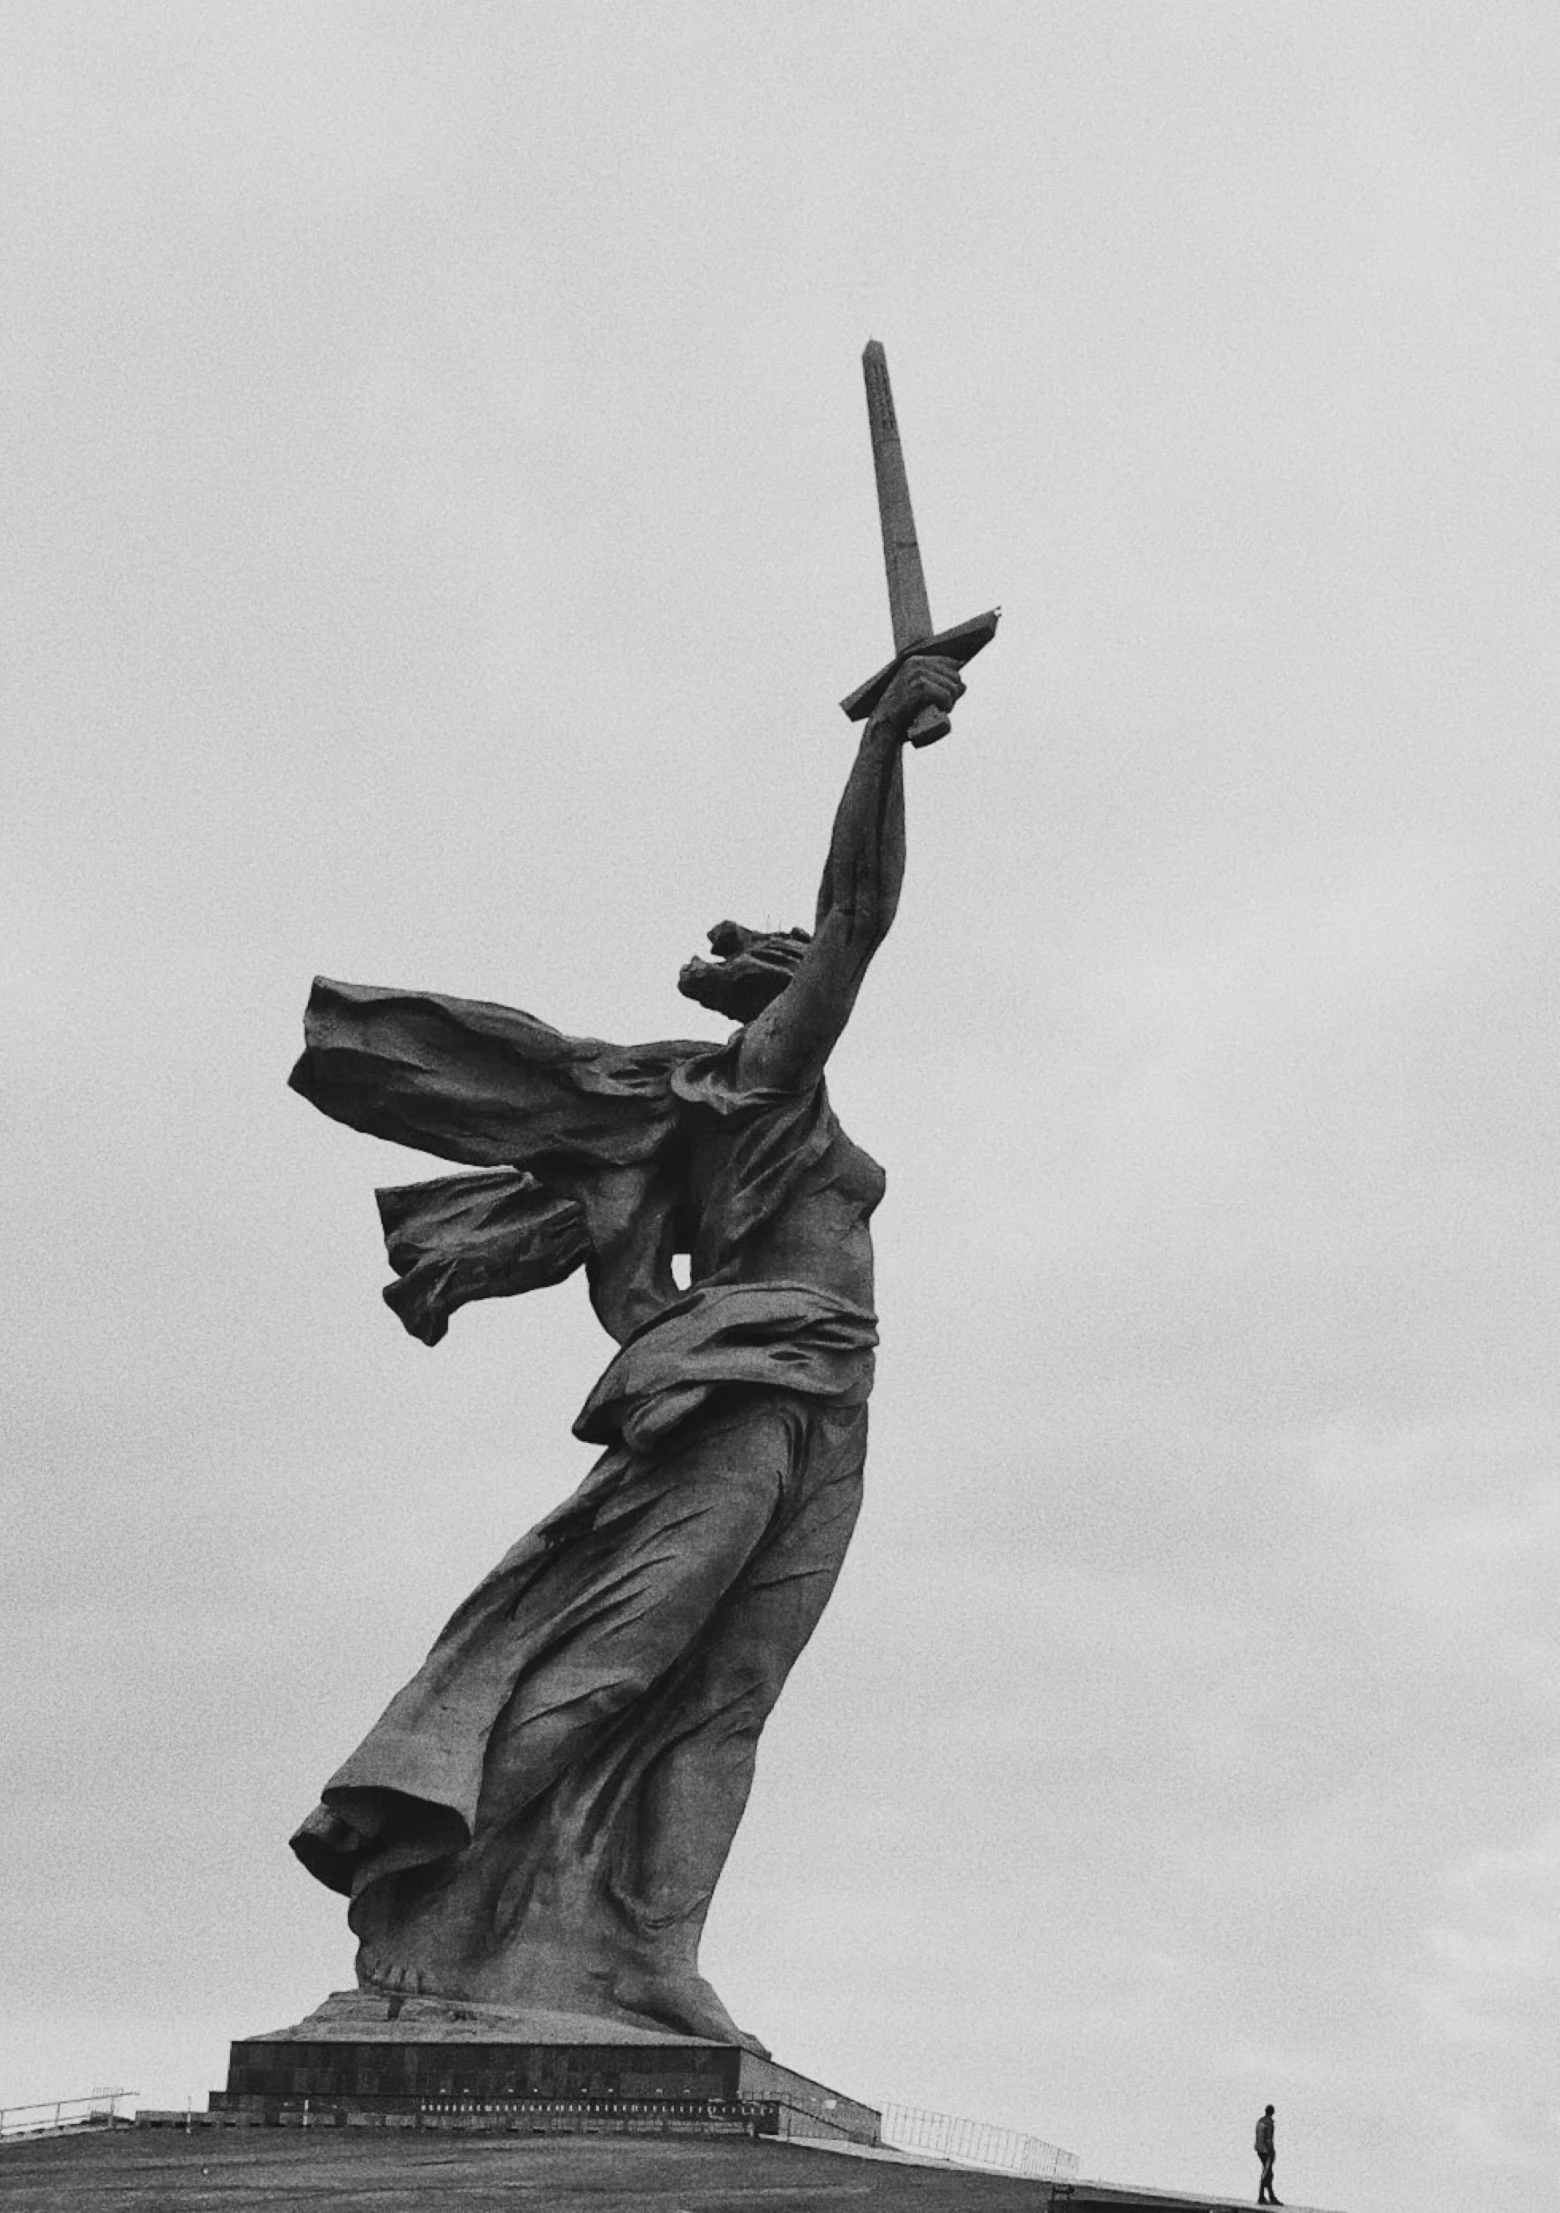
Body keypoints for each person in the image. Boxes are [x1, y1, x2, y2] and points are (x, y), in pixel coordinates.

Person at [285, 652, 968, 2051]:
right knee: (622, 1656)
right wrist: (885, 744)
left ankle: (654, 1953)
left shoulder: (753, 1106)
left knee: (733, 1688)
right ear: (767, 999)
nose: (812, 972)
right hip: (748, 1387)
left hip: (830, 1395)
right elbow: (861, 910)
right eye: (794, 970)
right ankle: (425, 1902)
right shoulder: (760, 1083)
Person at [1255, 2103, 1279, 2204]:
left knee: (1268, 2173)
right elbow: (1268, 2138)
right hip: (1266, 2151)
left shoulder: (1260, 2121)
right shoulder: (1269, 2123)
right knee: (1267, 2174)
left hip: (1259, 2150)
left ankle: (1271, 2196)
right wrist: (1271, 2151)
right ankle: (1262, 2197)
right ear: (1272, 2112)